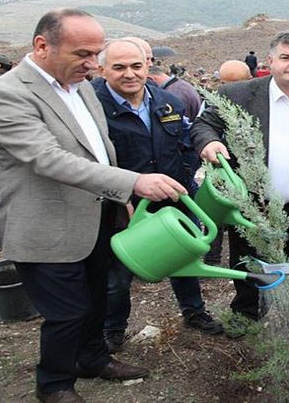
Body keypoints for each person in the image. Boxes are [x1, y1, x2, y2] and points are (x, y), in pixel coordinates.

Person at [0, 9, 186, 403]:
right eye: (82, 54)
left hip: (96, 216)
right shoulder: (7, 94)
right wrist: (134, 183)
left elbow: (99, 152)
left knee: (95, 299)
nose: (93, 65)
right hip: (46, 225)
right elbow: (48, 159)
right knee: (66, 312)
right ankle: (54, 384)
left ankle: (92, 358)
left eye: (96, 54)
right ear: (42, 46)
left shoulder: (81, 87)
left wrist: (118, 199)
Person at [191, 30, 289, 321]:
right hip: (254, 207)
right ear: (271, 60)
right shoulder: (239, 94)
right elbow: (203, 124)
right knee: (250, 267)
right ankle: (247, 315)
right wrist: (208, 142)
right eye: (286, 57)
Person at [93, 39, 223, 353]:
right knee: (117, 273)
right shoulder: (92, 108)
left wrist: (187, 171)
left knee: (185, 255)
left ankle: (193, 311)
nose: (129, 74)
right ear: (102, 70)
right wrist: (120, 194)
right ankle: (112, 330)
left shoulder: (167, 102)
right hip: (121, 205)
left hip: (173, 196)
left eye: (136, 66)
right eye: (119, 67)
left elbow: (186, 137)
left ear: (148, 65)